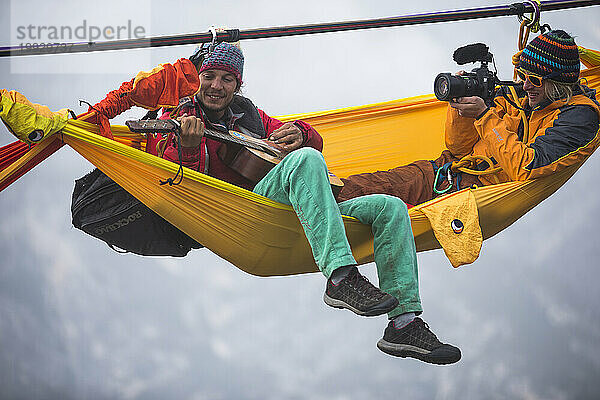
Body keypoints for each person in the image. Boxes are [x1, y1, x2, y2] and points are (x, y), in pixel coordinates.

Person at [151, 42, 461, 364]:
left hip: (296, 212)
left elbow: (310, 139)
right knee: (307, 161)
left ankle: (403, 324)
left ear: (238, 84)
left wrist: (301, 132)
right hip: (245, 216)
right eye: (209, 76)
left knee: (390, 206)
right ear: (195, 79)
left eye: (227, 79)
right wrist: (189, 146)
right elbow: (181, 186)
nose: (216, 86)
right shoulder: (177, 117)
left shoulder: (250, 117)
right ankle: (341, 277)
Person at [336, 30, 600, 206]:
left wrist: (484, 116)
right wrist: (461, 109)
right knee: (374, 186)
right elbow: (459, 148)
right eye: (522, 76)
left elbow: (525, 167)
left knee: (373, 201)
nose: (526, 86)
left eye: (534, 80)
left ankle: (315, 199)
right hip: (447, 172)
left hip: (473, 197)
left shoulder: (579, 118)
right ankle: (315, 194)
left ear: (559, 85)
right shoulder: (522, 96)